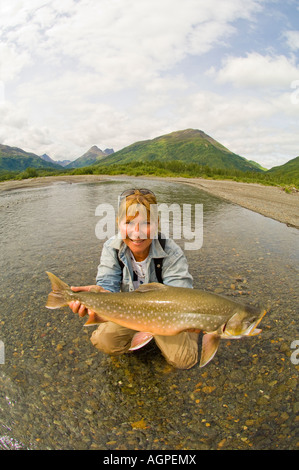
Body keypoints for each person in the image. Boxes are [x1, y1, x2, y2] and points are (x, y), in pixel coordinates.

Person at [69, 188, 199, 369]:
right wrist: (95, 298)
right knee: (103, 341)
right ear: (118, 223)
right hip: (130, 312)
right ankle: (140, 336)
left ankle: (186, 335)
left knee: (184, 360)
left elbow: (183, 297)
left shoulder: (171, 252)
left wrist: (193, 321)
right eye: (129, 223)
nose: (137, 233)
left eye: (146, 223)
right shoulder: (111, 248)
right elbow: (108, 288)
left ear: (157, 224)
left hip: (166, 317)